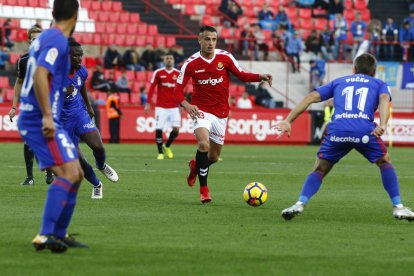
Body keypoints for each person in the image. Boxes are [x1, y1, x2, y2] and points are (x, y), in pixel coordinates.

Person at [274, 53, 414, 222]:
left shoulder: (339, 81)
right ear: (374, 71)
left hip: (338, 130)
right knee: (384, 162)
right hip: (364, 131)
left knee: (319, 169)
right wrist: (383, 124)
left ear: (354, 68)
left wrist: (288, 120)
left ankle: (299, 203)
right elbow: (384, 99)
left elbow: (311, 97)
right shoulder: (379, 83)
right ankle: (398, 207)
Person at [17, 0, 87, 253]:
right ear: (76, 15)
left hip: (43, 118)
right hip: (39, 119)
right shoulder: (56, 39)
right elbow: (39, 74)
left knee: (76, 174)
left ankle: (59, 233)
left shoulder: (46, 37)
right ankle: (45, 235)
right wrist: (47, 115)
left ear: (53, 12)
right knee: (69, 174)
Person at [174, 26, 272, 203]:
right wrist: (187, 105)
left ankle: (196, 166)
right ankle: (204, 190)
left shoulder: (225, 57)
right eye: (207, 39)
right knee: (203, 145)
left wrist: (260, 76)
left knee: (213, 157)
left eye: (213, 39)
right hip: (201, 111)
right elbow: (177, 90)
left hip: (221, 113)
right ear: (199, 40)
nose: (210, 43)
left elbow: (241, 75)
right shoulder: (191, 63)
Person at [62, 38, 119, 199]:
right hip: (62, 121)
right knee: (79, 159)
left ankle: (101, 165)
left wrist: (88, 105)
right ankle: (96, 184)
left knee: (98, 147)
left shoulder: (82, 71)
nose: (79, 59)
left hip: (79, 113)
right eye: (75, 56)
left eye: (81, 55)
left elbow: (82, 86)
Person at [8, 26, 54, 186]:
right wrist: (14, 106)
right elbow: (19, 82)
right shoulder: (24, 60)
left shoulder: (50, 59)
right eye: (34, 38)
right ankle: (30, 178)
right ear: (29, 40)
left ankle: (49, 172)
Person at [145, 53, 181, 160]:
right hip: (161, 107)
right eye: (167, 58)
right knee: (159, 128)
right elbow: (152, 88)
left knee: (176, 130)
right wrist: (147, 103)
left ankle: (167, 146)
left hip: (174, 107)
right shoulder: (158, 73)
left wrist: (182, 104)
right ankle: (160, 152)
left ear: (174, 60)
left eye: (171, 58)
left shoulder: (178, 73)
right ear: (164, 60)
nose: (169, 60)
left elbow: (181, 90)